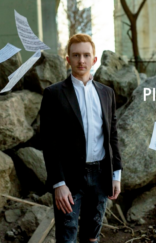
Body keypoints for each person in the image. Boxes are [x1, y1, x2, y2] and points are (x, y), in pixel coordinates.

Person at [40, 33, 122, 243]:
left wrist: (116, 175)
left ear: (94, 60)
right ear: (68, 59)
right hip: (69, 179)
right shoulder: (54, 94)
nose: (81, 60)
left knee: (91, 238)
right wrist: (58, 183)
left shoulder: (107, 93)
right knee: (67, 238)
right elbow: (50, 142)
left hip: (101, 176)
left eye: (86, 55)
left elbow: (112, 135)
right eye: (76, 55)